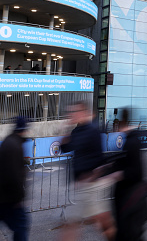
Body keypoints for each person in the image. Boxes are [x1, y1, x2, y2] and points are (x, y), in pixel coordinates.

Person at [60, 101, 116, 241]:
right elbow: (64, 148)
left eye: (74, 112)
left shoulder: (92, 130)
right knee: (100, 221)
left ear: (83, 113)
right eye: (70, 112)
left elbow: (98, 157)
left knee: (75, 223)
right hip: (83, 184)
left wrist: (92, 176)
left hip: (90, 184)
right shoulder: (76, 131)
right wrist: (67, 129)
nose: (71, 115)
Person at [111, 109, 147, 241]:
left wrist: (117, 175)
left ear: (121, 123)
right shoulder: (131, 139)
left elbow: (135, 171)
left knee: (131, 234)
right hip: (128, 199)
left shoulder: (132, 142)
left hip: (131, 199)